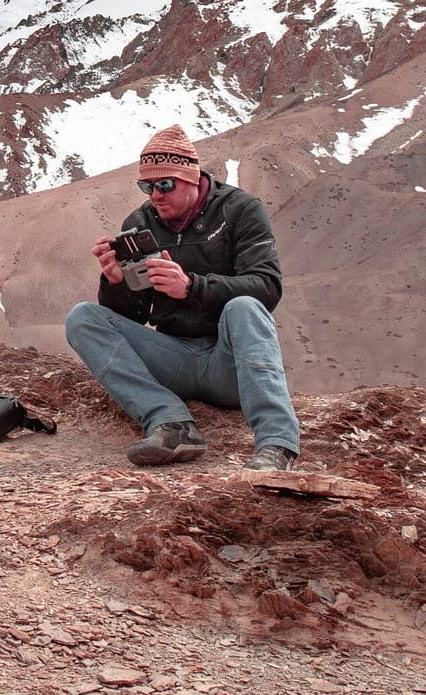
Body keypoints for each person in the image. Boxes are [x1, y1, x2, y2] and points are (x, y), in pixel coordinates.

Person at [65, 124, 301, 471]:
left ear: (191, 177)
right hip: (173, 358)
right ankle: (170, 423)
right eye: (147, 186)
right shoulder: (140, 223)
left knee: (245, 307)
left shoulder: (241, 210)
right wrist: (115, 283)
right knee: (82, 318)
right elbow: (133, 316)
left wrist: (192, 286)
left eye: (165, 184)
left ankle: (276, 446)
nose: (155, 196)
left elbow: (267, 288)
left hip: (230, 363)